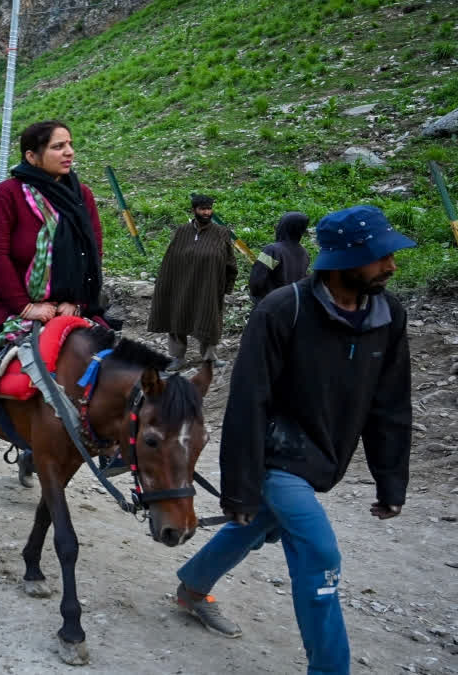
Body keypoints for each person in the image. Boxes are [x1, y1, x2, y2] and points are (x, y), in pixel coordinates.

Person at [173, 205, 414, 675]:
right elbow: (248, 402)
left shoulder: (388, 314)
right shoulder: (283, 309)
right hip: (276, 456)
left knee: (256, 523)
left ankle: (192, 589)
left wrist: (391, 482)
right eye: (380, 256)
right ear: (345, 259)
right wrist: (239, 487)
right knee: (319, 553)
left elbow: (390, 406)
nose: (391, 265)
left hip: (324, 456)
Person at [0, 120, 103, 479]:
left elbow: (92, 251)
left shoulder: (81, 196)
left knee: (109, 357)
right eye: (58, 147)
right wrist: (24, 306)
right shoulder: (8, 194)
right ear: (32, 155)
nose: (69, 152)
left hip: (65, 301)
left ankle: (112, 443)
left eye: (70, 144)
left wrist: (77, 301)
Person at [147, 193, 237, 371]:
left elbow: (230, 262)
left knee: (209, 319)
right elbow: (170, 260)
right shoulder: (182, 232)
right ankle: (178, 357)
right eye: (202, 209)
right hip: (181, 285)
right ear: (194, 210)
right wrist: (166, 286)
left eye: (209, 209)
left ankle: (210, 358)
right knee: (177, 317)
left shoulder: (221, 233)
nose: (206, 212)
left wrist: (227, 286)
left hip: (208, 286)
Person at [249, 211, 311, 304]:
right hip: (290, 305)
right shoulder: (304, 253)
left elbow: (257, 277)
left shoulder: (272, 250)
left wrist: (256, 297)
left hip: (269, 304)